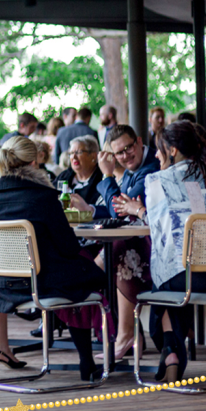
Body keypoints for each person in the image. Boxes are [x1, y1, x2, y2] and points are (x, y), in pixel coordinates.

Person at [0, 136, 106, 379]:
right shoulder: (44, 196)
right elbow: (68, 247)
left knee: (75, 273)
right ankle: (88, 361)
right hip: (39, 285)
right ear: (34, 162)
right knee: (88, 272)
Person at [141, 121, 206, 382]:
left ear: (172, 150)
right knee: (177, 272)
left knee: (166, 275)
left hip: (191, 276)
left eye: (160, 148)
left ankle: (171, 350)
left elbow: (159, 231)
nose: (156, 155)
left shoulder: (157, 180)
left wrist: (138, 211)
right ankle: (172, 351)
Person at [70, 124, 160, 357]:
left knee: (118, 253)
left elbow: (119, 211)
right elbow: (120, 208)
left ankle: (122, 334)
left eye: (128, 148)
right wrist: (90, 209)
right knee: (113, 252)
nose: (125, 155)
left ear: (139, 141)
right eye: (119, 152)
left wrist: (108, 175)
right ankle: (121, 333)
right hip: (139, 243)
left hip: (161, 253)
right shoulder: (134, 168)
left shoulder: (152, 167)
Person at [55, 135, 104, 206]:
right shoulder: (64, 176)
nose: (74, 157)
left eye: (79, 152)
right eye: (71, 153)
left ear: (93, 156)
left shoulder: (102, 179)